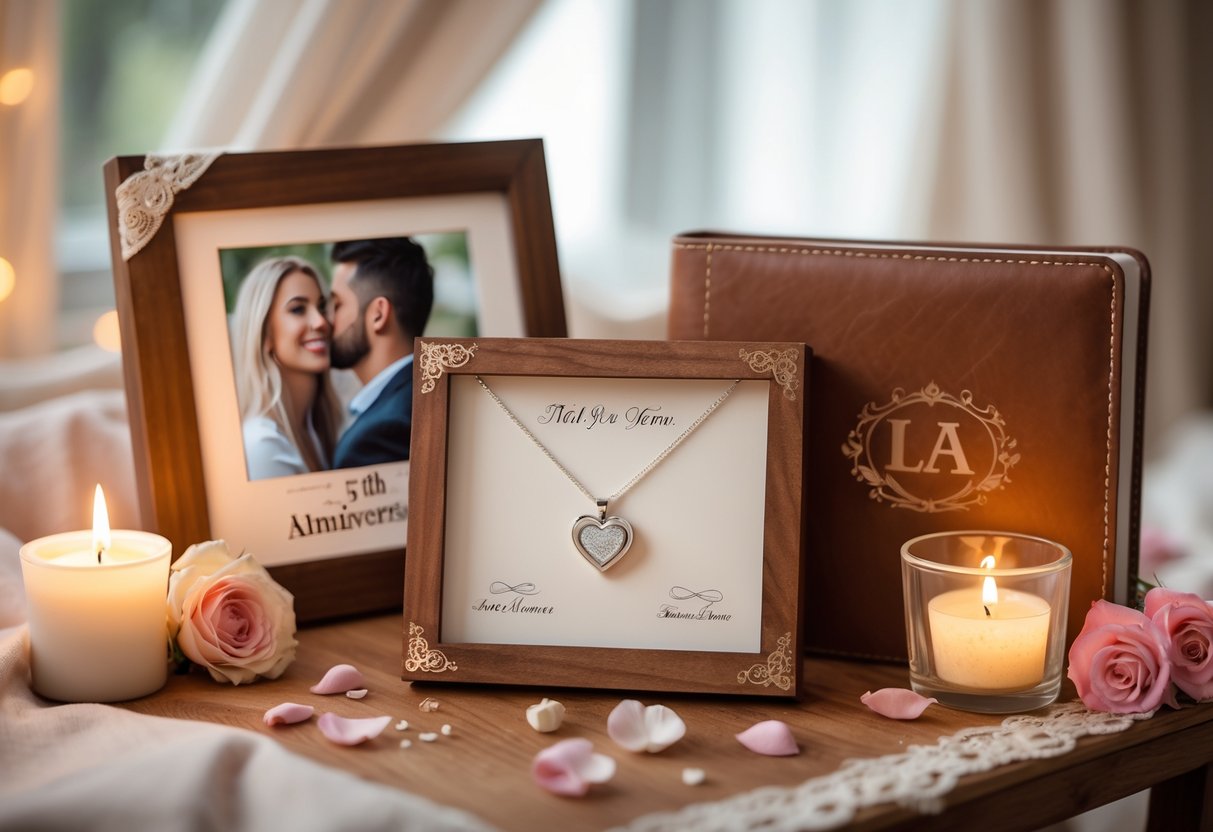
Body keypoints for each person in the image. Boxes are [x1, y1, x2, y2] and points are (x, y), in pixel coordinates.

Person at [230, 255, 343, 480]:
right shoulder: (263, 446)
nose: (321, 321)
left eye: (321, 307)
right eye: (298, 309)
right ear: (265, 334)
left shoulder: (316, 430)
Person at [328, 237, 434, 467]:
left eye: (337, 305)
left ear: (378, 314)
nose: (327, 321)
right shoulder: (434, 398)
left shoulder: (377, 436)